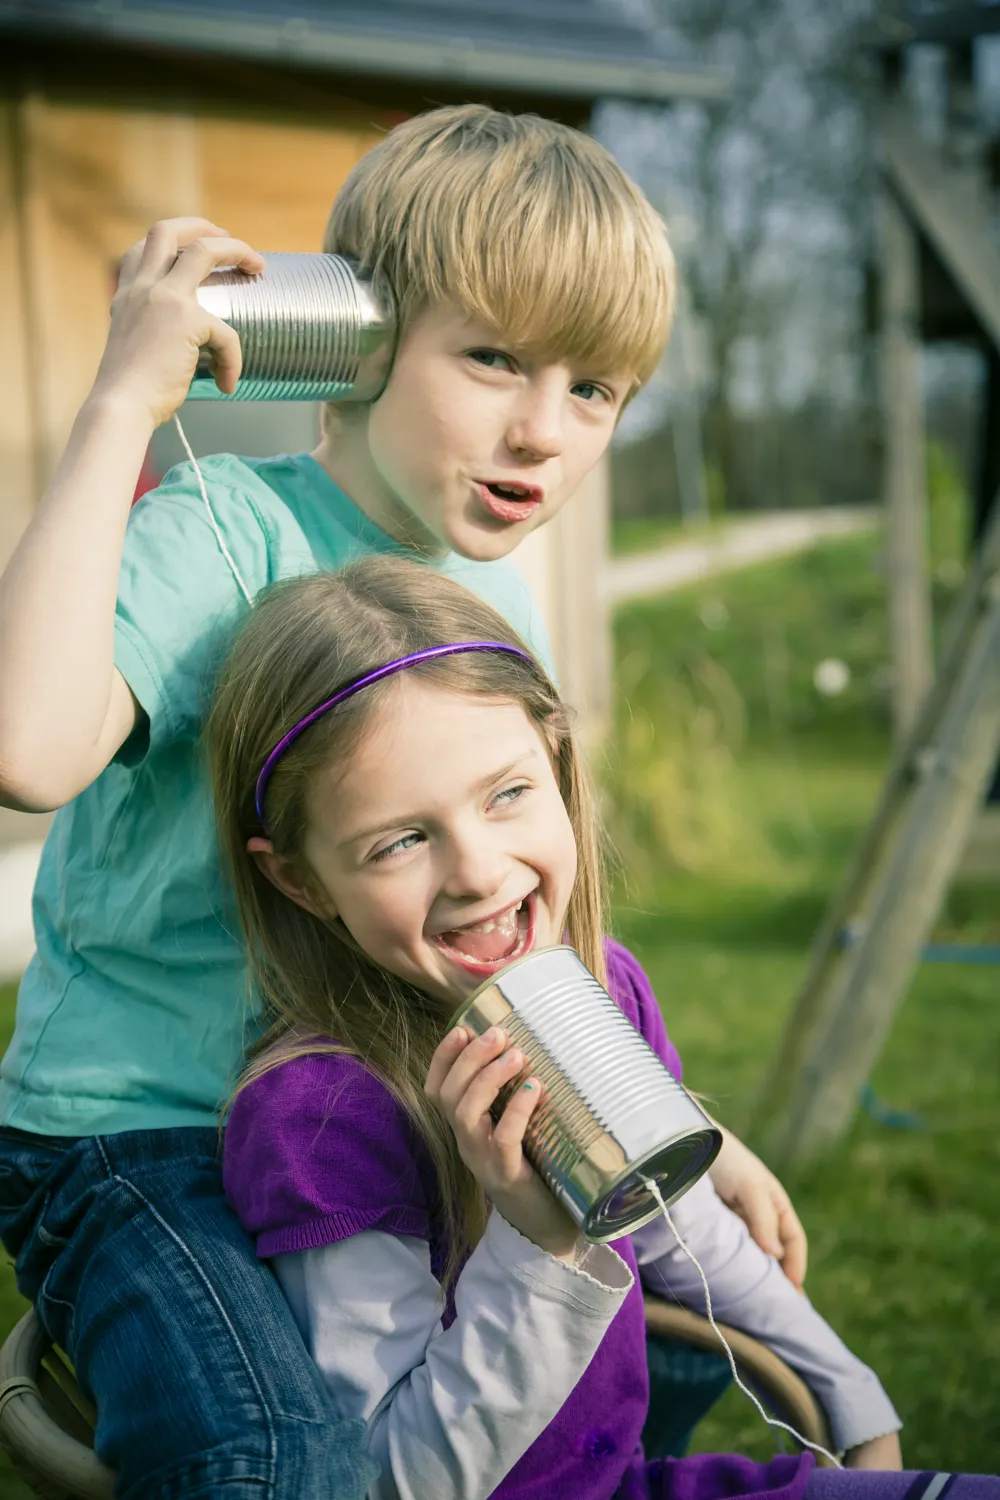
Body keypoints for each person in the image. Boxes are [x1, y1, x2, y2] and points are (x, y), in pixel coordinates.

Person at [0, 106, 804, 1496]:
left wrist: (683, 1125)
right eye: (493, 357)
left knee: (639, 1352)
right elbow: (24, 748)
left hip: (350, 1117)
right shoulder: (224, 530)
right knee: (279, 1465)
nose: (545, 429)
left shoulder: (489, 602)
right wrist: (126, 397)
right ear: (358, 334)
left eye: (596, 389)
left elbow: (497, 927)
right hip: (146, 1134)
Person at [212, 556, 914, 1500]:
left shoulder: (600, 988)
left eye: (508, 794)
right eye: (400, 841)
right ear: (300, 881)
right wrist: (534, 1238)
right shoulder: (324, 1116)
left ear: (560, 763)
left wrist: (854, 1401)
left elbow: (678, 1226)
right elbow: (394, 1481)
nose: (477, 871)